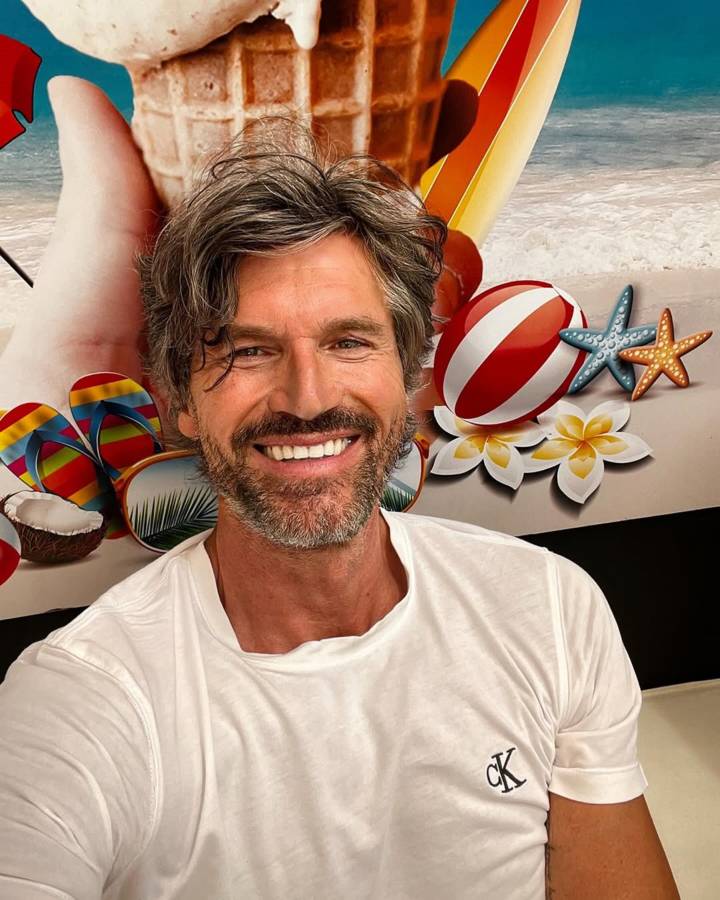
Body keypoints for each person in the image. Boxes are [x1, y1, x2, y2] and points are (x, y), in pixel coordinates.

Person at [0, 78, 679, 899]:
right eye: (247, 351)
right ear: (176, 399)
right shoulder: (83, 700)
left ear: (408, 374)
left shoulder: (551, 611)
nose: (307, 396)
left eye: (349, 341)